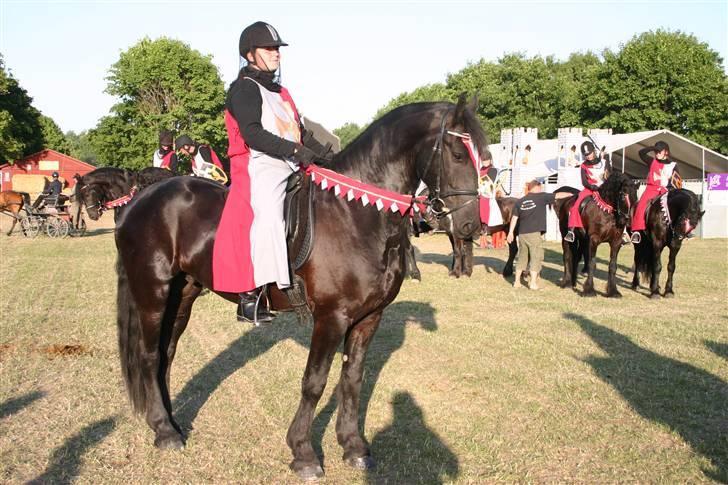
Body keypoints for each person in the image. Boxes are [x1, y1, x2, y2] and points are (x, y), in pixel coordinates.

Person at [211, 21, 331, 323]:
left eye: (278, 48)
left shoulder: (282, 92)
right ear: (250, 55)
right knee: (268, 216)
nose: (277, 53)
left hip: (290, 161)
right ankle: (253, 295)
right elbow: (251, 134)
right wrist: (295, 151)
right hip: (259, 164)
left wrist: (331, 157)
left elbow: (301, 133)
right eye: (270, 48)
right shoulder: (243, 89)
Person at [507, 180, 572, 289]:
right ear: (537, 187)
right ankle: (532, 283)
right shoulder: (541, 197)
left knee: (522, 257)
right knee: (535, 257)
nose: (541, 189)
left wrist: (510, 233)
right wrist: (572, 194)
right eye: (540, 188)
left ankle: (517, 282)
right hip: (534, 233)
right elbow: (558, 195)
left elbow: (514, 218)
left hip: (522, 234)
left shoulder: (520, 201)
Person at [630, 141, 679, 244]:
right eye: (655, 152)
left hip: (666, 190)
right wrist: (653, 147)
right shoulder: (652, 161)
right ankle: (637, 231)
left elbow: (676, 182)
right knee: (641, 206)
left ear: (666, 152)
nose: (656, 153)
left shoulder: (673, 165)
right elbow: (641, 153)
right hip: (651, 189)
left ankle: (680, 230)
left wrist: (671, 191)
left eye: (659, 151)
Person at [563, 141, 611, 242]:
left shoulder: (604, 161)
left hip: (605, 189)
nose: (588, 156)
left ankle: (623, 231)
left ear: (593, 151)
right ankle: (571, 230)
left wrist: (607, 162)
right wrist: (593, 187)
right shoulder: (583, 166)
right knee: (576, 205)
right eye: (586, 155)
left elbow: (609, 175)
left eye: (589, 153)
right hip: (590, 189)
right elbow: (584, 182)